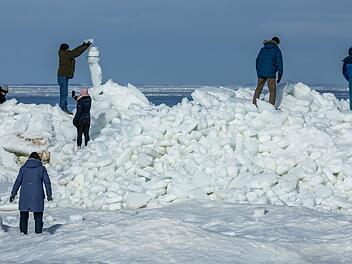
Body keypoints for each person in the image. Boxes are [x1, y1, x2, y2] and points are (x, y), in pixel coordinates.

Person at [9, 152, 52, 234]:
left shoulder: (23, 169)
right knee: (38, 215)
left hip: (25, 195)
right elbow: (47, 182)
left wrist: (13, 193)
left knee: (24, 216)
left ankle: (23, 233)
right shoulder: (41, 169)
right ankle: (39, 234)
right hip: (37, 195)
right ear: (38, 159)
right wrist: (49, 195)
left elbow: (18, 182)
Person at [57, 41, 92, 114]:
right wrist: (85, 47)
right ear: (65, 49)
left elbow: (74, 51)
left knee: (63, 93)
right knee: (64, 94)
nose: (69, 49)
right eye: (68, 48)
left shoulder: (65, 54)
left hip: (62, 76)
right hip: (63, 77)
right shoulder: (65, 55)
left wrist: (82, 45)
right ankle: (63, 108)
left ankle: (63, 108)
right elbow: (76, 53)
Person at [253, 37, 283, 106]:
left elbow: (257, 61)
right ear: (277, 43)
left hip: (261, 73)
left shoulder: (262, 49)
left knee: (258, 88)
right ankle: (271, 107)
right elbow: (279, 63)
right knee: (272, 91)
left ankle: (254, 104)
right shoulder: (276, 50)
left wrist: (258, 71)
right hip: (271, 74)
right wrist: (280, 75)